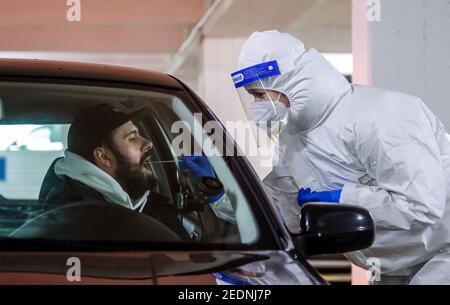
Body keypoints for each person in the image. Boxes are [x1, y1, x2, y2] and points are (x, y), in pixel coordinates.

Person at [232, 30, 450, 284]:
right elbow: (284, 198)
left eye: (260, 95)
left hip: (442, 250)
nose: (256, 106)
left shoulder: (382, 115)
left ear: (288, 82)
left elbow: (422, 205)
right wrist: (229, 197)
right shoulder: (292, 136)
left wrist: (344, 199)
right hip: (391, 263)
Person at [39, 104, 223, 240]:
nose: (148, 143)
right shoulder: (72, 220)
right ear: (103, 157)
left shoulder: (149, 206)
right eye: (133, 138)